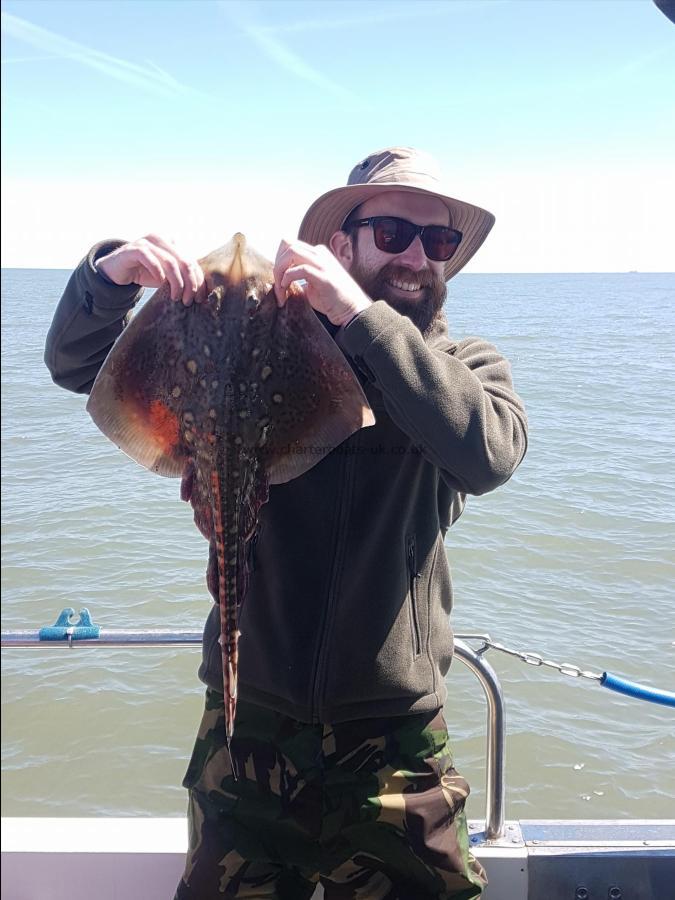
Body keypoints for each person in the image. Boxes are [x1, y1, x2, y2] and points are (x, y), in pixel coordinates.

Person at [45, 147, 528, 900]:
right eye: (393, 232)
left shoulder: (463, 365)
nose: (417, 256)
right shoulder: (270, 339)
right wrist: (108, 278)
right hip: (248, 729)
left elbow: (488, 454)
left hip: (393, 738)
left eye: (438, 242)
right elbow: (78, 366)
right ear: (341, 244)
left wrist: (362, 320)